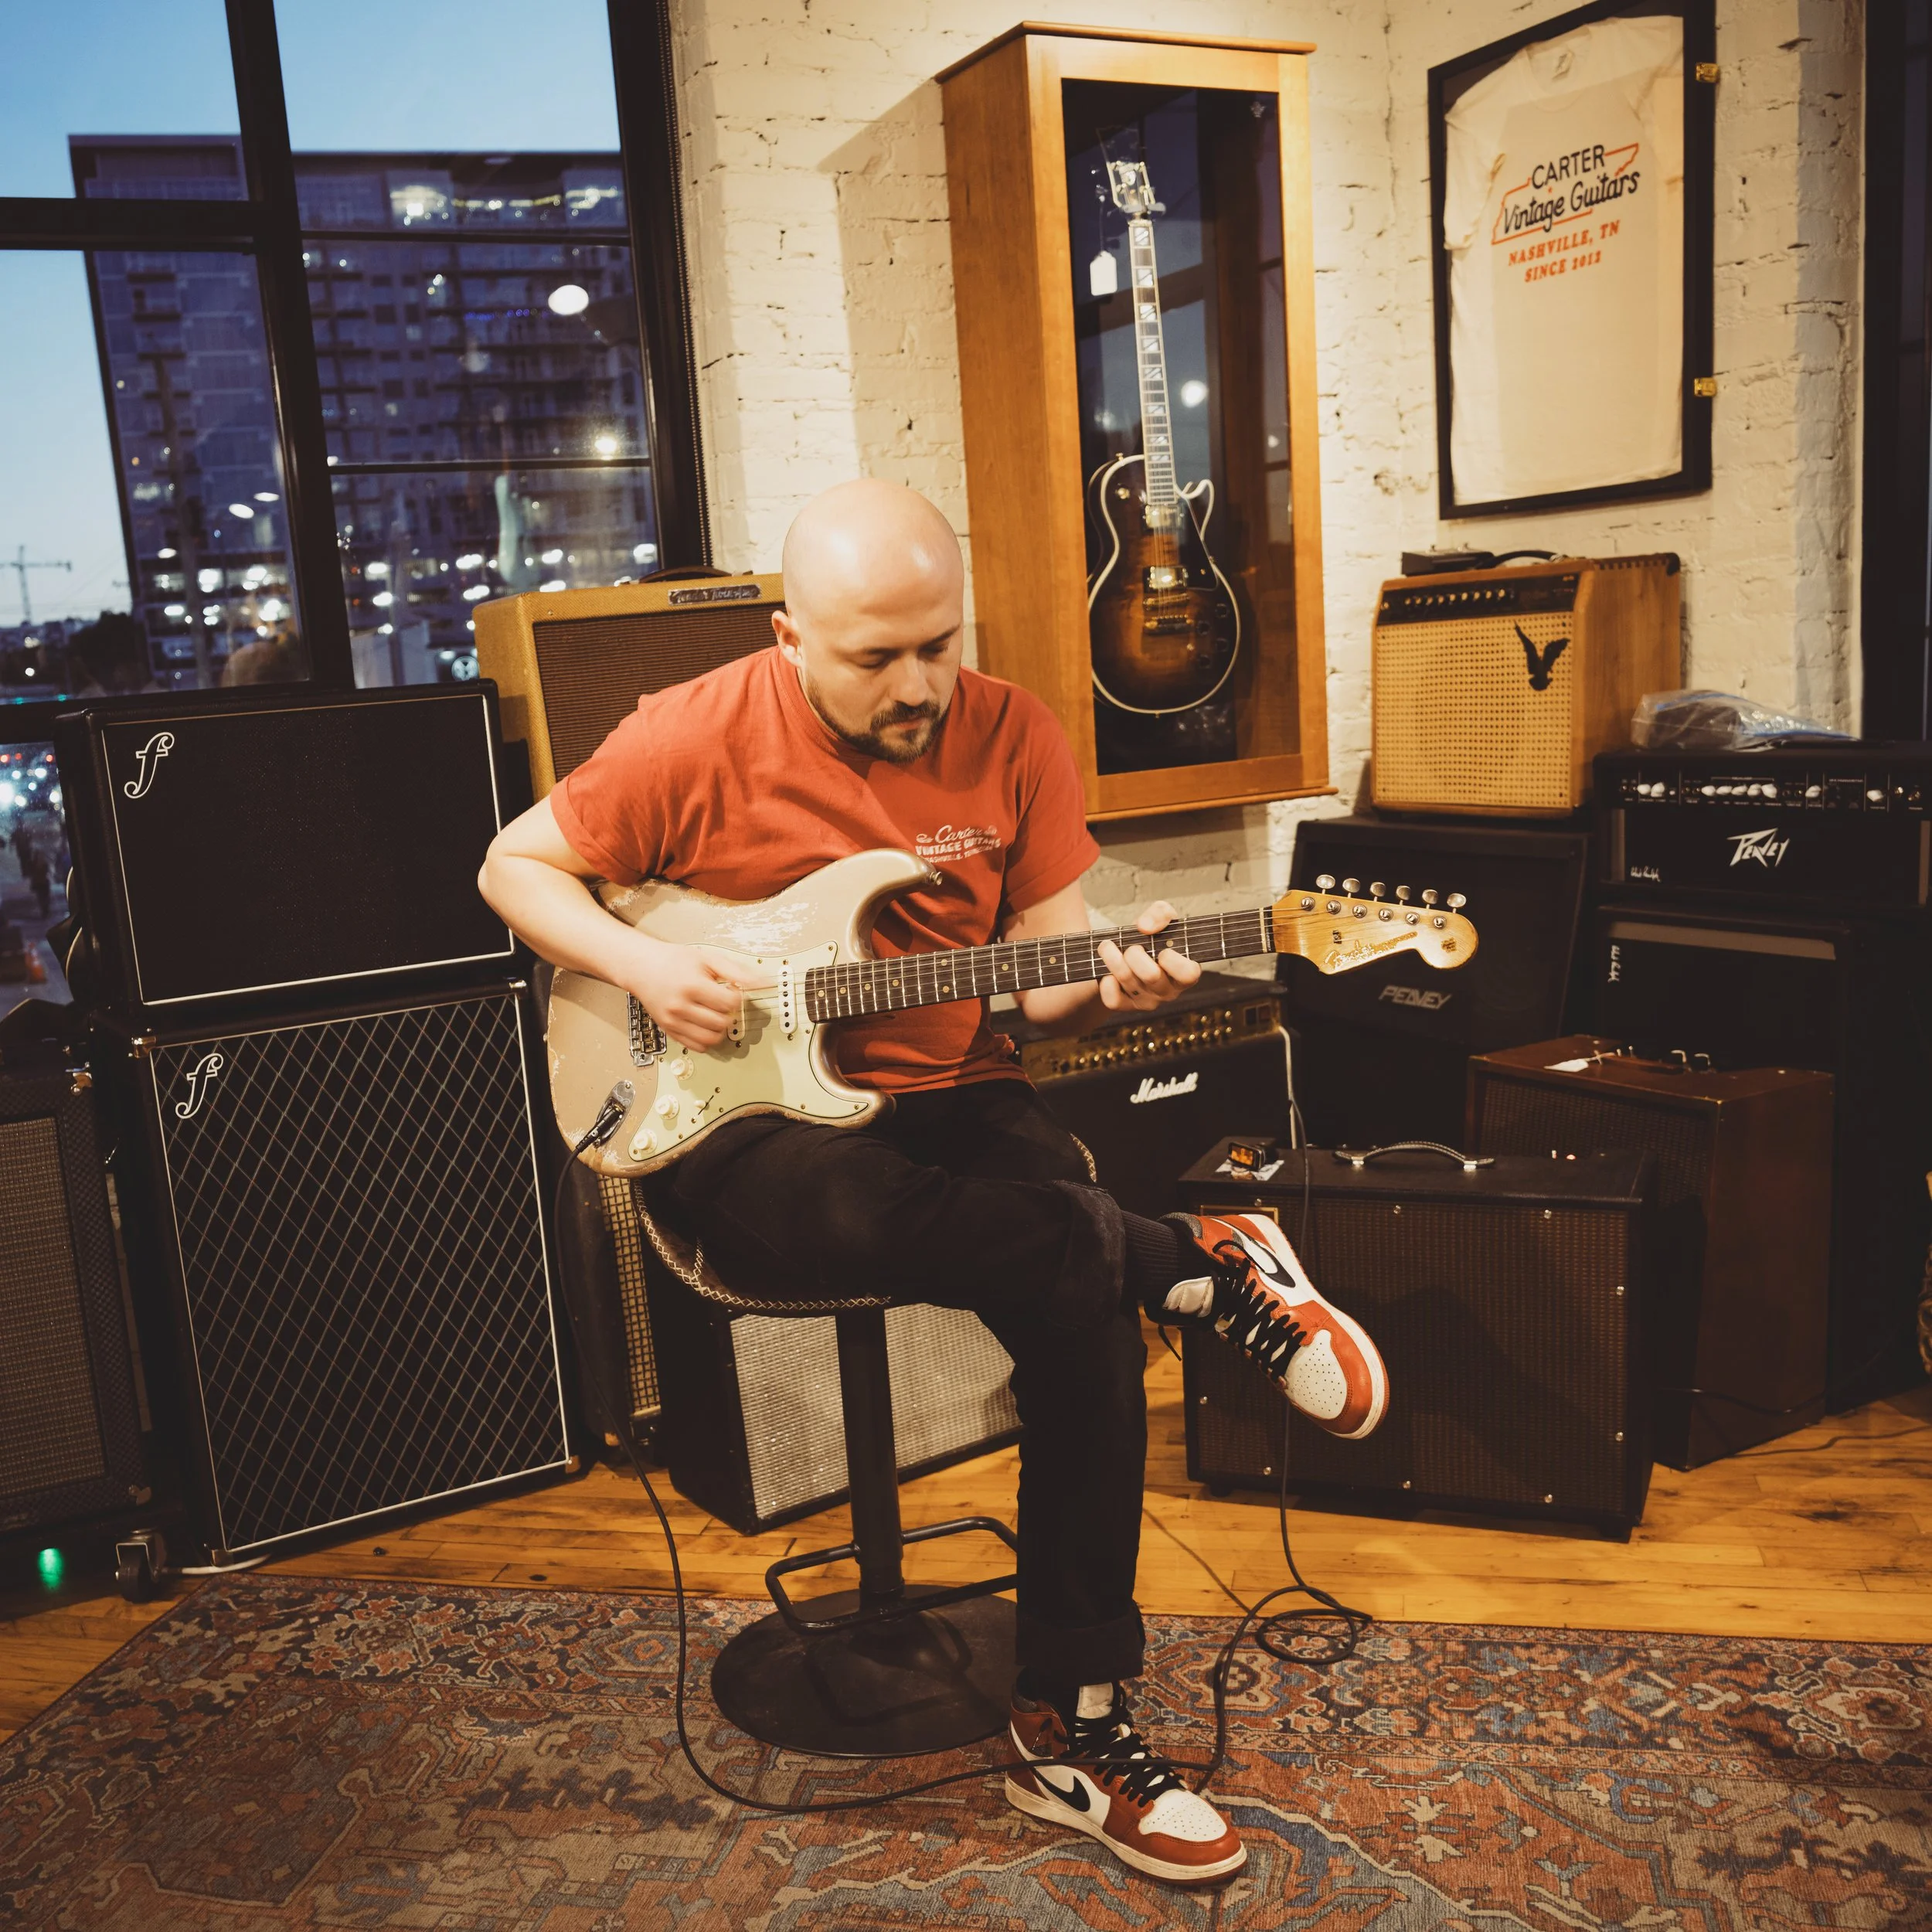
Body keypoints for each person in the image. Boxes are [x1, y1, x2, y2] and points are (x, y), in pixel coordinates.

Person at [478, 478, 1387, 1888]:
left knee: (1075, 1299)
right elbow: (514, 866)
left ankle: (1075, 1721)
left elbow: (1053, 991)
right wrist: (652, 967)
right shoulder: (693, 733)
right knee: (887, 1212)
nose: (917, 688)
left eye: (938, 647)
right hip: (730, 1125)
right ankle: (1193, 1260)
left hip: (952, 1090)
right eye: (873, 657)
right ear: (789, 637)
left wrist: (1123, 988)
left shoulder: (1013, 731)